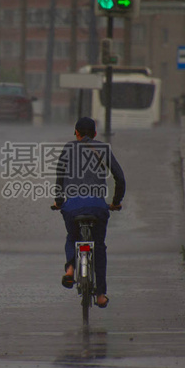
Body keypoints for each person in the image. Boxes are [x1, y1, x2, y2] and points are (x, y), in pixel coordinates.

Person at [53, 117, 125, 308]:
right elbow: (120, 178)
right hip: (98, 207)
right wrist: (115, 202)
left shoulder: (68, 148)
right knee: (99, 246)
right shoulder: (103, 149)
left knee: (72, 237)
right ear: (94, 134)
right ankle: (100, 294)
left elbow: (59, 179)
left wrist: (59, 202)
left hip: (72, 207)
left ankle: (70, 269)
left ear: (76, 133)